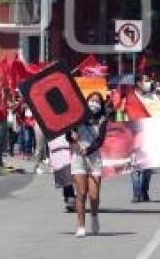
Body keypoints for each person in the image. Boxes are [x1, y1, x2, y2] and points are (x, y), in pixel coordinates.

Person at [67, 92, 109, 237]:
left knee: (94, 195)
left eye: (97, 102)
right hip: (78, 157)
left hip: (94, 158)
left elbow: (100, 140)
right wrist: (71, 137)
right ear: (86, 102)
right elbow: (68, 135)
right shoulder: (77, 117)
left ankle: (94, 216)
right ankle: (80, 225)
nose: (94, 104)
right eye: (92, 100)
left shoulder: (103, 119)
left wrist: (89, 149)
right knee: (81, 194)